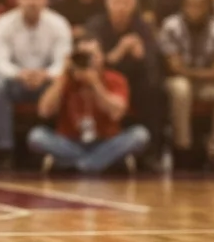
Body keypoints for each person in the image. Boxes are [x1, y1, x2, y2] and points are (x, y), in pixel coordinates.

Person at [28, 36, 150, 174]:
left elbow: (117, 113)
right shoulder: (64, 80)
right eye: (83, 56)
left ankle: (80, 164)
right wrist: (63, 75)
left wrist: (96, 85)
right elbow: (44, 111)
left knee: (140, 135)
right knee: (36, 136)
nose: (88, 61)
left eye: (92, 56)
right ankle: (95, 164)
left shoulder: (115, 79)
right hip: (70, 142)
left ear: (102, 57)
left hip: (106, 142)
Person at [0, 0, 74, 169]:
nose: (32, 2)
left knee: (66, 80)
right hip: (16, 81)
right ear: (18, 0)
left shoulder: (59, 24)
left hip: (47, 82)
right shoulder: (3, 23)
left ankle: (60, 146)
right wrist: (20, 74)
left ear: (45, 0)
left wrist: (47, 74)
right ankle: (5, 150)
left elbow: (63, 61)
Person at [158, 0, 214, 170]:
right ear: (183, 7)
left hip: (205, 84)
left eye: (200, 5)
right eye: (190, 5)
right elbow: (175, 68)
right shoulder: (171, 26)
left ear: (208, 7)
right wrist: (209, 73)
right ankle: (183, 148)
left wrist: (212, 74)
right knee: (181, 88)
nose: (195, 9)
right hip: (175, 81)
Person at [85, 0, 163, 167]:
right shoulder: (96, 24)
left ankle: (151, 153)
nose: (121, 7)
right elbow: (95, 64)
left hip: (135, 82)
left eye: (126, 2)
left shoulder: (143, 27)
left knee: (155, 91)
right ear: (107, 3)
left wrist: (142, 56)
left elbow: (154, 64)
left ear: (134, 4)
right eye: (116, 1)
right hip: (105, 82)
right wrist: (120, 51)